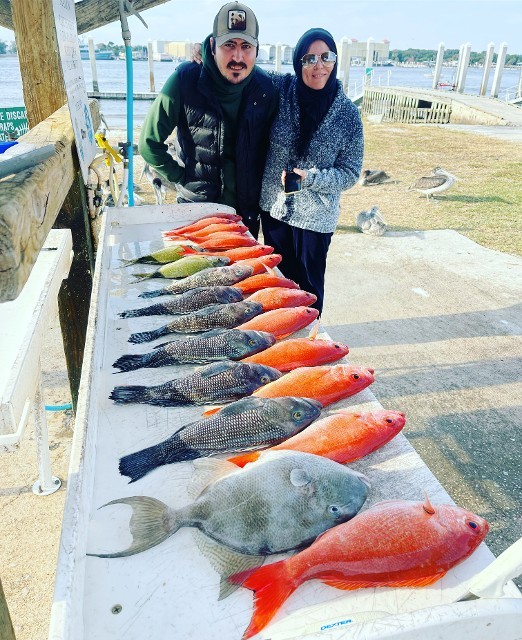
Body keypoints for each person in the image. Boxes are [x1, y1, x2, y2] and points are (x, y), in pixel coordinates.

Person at [138, 2, 278, 237]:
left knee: (243, 274)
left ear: (257, 49)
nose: (237, 56)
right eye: (228, 45)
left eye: (246, 46)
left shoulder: (266, 89)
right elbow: (149, 144)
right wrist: (181, 178)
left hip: (244, 217)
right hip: (196, 212)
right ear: (212, 46)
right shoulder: (185, 80)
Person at [260, 28, 364, 314]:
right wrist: (204, 56)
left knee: (308, 296)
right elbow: (242, 69)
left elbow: (350, 172)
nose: (319, 65)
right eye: (309, 58)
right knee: (277, 288)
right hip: (275, 212)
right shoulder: (281, 89)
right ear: (298, 63)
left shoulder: (348, 115)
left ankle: (311, 348)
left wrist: (311, 179)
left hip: (316, 220)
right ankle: (280, 346)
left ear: (335, 60)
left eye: (326, 57)